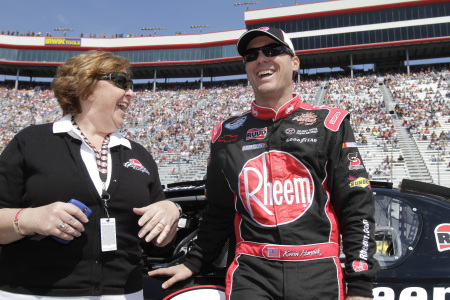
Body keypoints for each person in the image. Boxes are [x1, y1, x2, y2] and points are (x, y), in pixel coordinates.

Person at [149, 27, 378, 299]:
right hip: (252, 274)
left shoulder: (331, 124)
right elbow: (219, 212)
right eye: (251, 55)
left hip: (318, 271)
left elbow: (356, 207)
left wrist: (361, 285)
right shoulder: (225, 135)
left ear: (295, 62)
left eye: (272, 51)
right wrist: (193, 262)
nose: (261, 59)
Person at [0, 50, 181, 300]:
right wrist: (30, 218)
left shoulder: (139, 153)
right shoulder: (30, 142)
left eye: (131, 84)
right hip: (35, 292)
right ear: (86, 89)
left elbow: (159, 242)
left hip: (125, 293)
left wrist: (171, 210)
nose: (131, 92)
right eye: (121, 82)